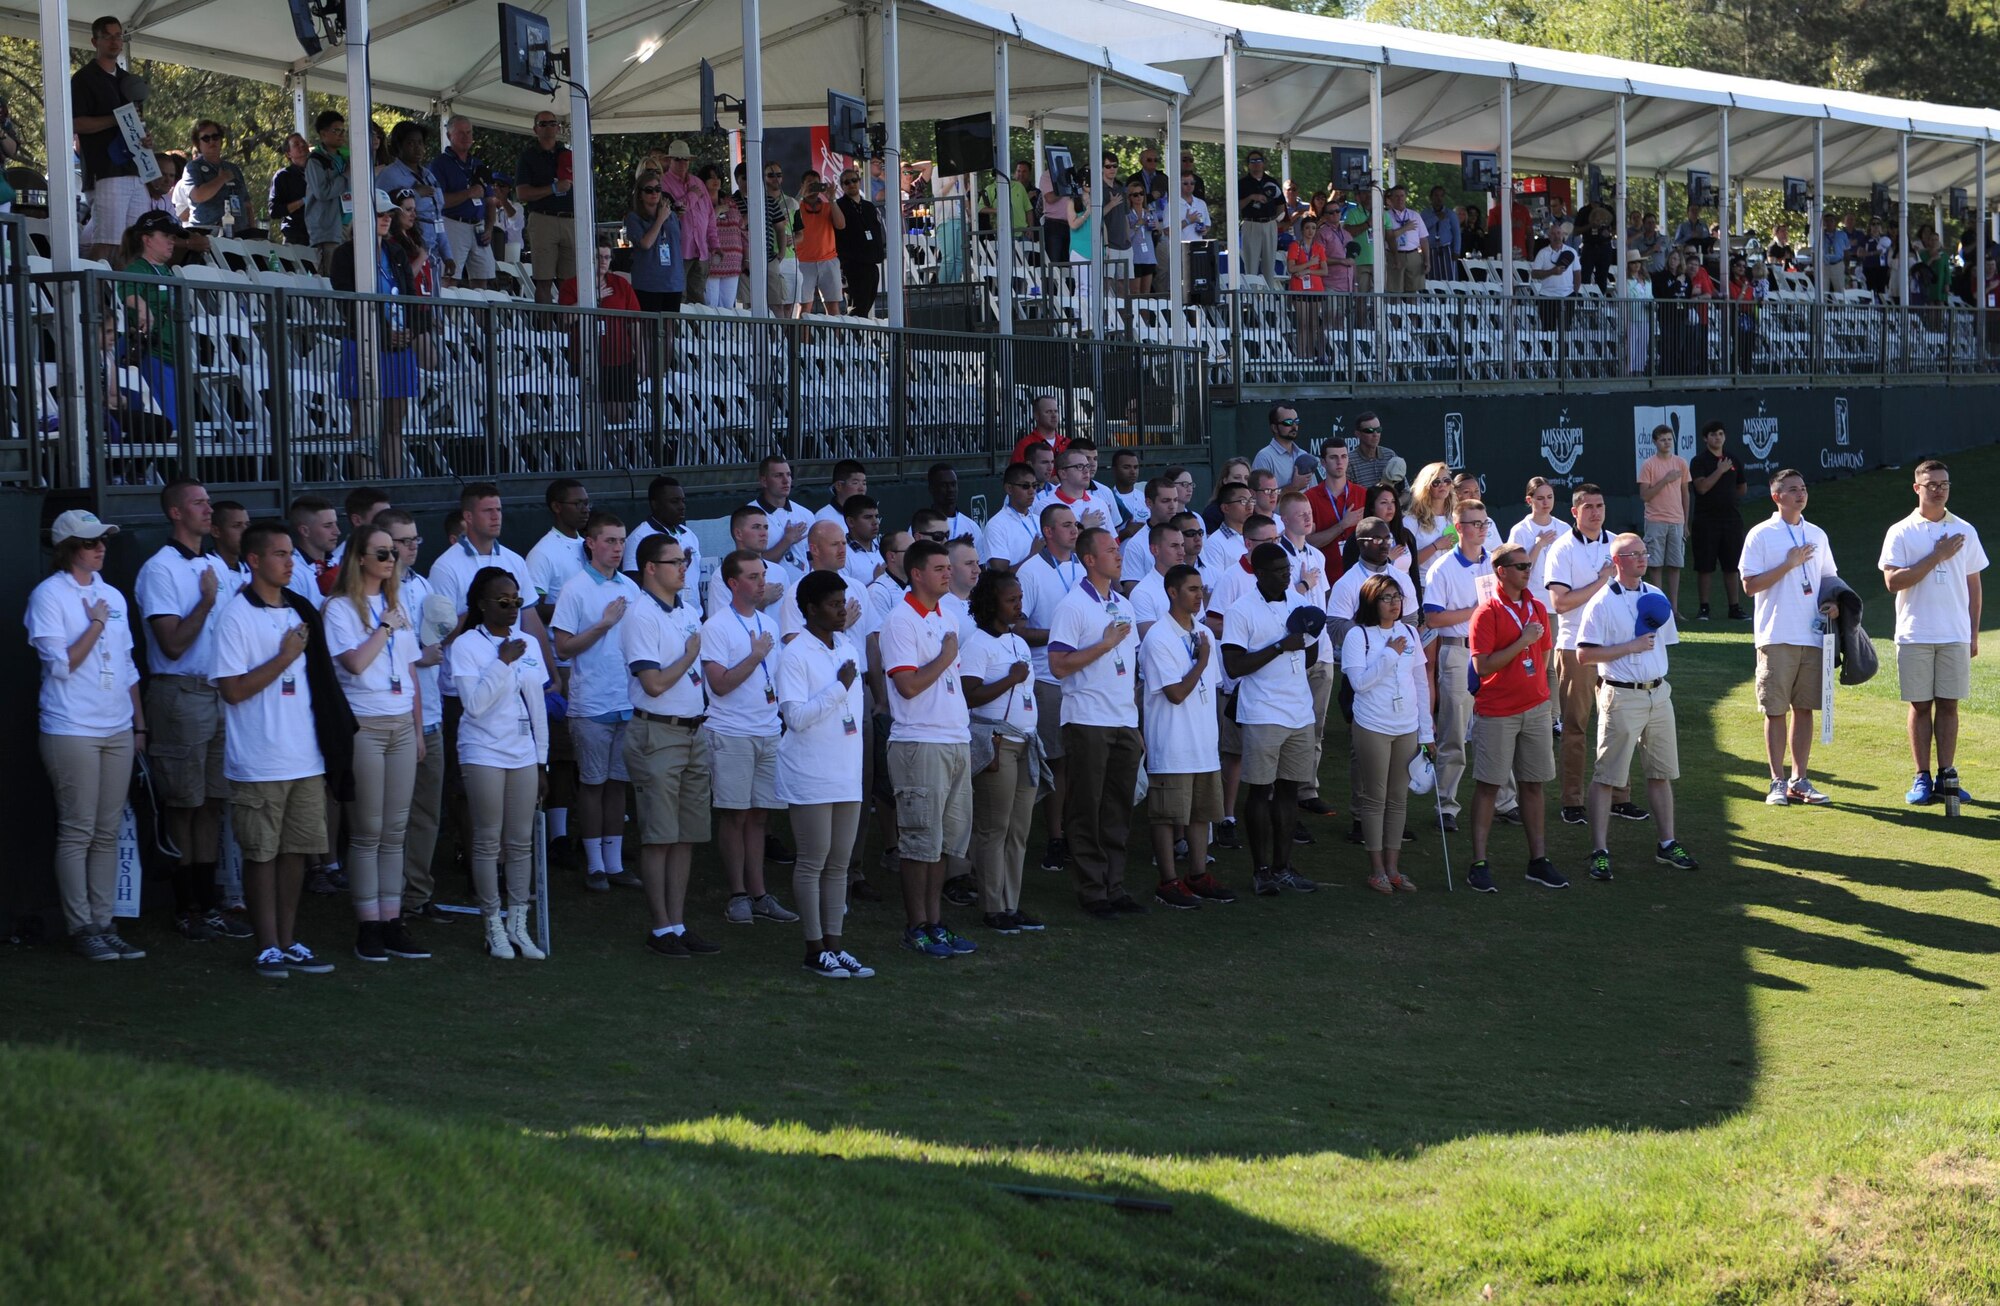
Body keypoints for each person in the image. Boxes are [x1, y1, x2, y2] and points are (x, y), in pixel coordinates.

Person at [212, 522, 347, 979]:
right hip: (258, 759)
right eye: (279, 554)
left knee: (296, 853)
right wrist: (285, 657)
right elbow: (232, 690)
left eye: (292, 553)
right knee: (261, 854)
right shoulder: (235, 617)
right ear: (253, 561)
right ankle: (266, 945)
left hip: (305, 756)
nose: (290, 562)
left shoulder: (301, 610)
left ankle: (288, 941)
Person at [133, 481, 251, 943]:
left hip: (220, 693)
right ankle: (186, 909)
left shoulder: (213, 564)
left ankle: (209, 905)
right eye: (199, 503)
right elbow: (174, 644)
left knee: (212, 803)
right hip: (180, 693)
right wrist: (205, 600)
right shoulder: (160, 569)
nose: (208, 509)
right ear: (176, 513)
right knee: (184, 803)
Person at [30, 511, 144, 961]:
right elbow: (60, 665)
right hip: (70, 727)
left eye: (102, 542)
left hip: (116, 726)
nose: (99, 548)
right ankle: (82, 928)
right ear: (67, 549)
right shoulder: (49, 596)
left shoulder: (111, 594)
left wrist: (139, 724)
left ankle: (104, 922)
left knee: (107, 830)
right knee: (79, 830)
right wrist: (95, 624)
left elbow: (130, 665)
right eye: (89, 542)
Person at [323, 523, 428, 962]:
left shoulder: (396, 604)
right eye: (383, 554)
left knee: (395, 830)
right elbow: (355, 663)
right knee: (367, 832)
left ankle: (392, 920)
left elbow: (410, 674)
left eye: (395, 554)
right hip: (364, 724)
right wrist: (384, 627)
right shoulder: (340, 609)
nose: (392, 561)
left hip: (401, 723)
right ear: (360, 558)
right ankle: (368, 926)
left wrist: (419, 730)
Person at [1576, 534, 1699, 882]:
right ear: (1618, 561)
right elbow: (1584, 655)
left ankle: (1667, 843)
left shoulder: (1656, 596)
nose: (1642, 559)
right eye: (1633, 554)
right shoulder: (1601, 603)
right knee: (1607, 777)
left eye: (1644, 553)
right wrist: (1628, 647)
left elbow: (1664, 645)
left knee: (1661, 773)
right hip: (1621, 696)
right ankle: (1599, 852)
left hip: (1659, 695)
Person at [620, 532, 720, 957]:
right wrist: (689, 654)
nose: (683, 568)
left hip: (693, 731)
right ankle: (660, 928)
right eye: (674, 561)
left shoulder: (687, 611)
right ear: (650, 568)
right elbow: (655, 683)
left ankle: (677, 923)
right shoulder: (641, 615)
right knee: (660, 836)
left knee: (686, 836)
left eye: (685, 560)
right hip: (658, 733)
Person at [879, 539, 978, 957]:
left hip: (955, 739)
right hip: (920, 741)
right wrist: (946, 655)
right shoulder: (900, 621)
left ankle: (936, 923)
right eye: (938, 568)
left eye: (947, 567)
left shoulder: (947, 615)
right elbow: (908, 685)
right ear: (916, 573)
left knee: (943, 844)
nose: (947, 573)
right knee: (919, 842)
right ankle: (915, 926)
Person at [775, 570, 874, 978]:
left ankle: (836, 945)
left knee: (839, 864)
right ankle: (814, 948)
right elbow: (795, 717)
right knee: (813, 862)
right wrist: (838, 687)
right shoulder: (796, 654)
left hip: (846, 771)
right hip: (811, 773)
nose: (842, 610)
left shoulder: (846, 644)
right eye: (833, 604)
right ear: (810, 609)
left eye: (842, 602)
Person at [449, 568, 551, 959]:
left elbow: (538, 707)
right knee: (488, 840)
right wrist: (503, 663)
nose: (511, 608)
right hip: (483, 752)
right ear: (482, 604)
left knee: (520, 842)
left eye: (517, 601)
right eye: (502, 601)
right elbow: (474, 706)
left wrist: (542, 762)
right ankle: (492, 924)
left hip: (523, 753)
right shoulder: (467, 646)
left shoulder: (528, 642)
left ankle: (518, 925)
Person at [1045, 526, 1146, 919]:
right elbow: (1058, 665)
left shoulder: (1124, 602)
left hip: (1122, 719)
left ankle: (1114, 885)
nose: (1118, 555)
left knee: (1119, 808)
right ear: (1089, 559)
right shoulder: (1072, 606)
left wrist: (1134, 721)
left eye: (1118, 548)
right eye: (1110, 550)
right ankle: (1092, 889)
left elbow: (1132, 666)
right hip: (1087, 719)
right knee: (1088, 806)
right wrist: (1102, 645)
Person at [700, 550, 800, 925]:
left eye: (762, 575)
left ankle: (759, 893)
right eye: (754, 577)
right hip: (731, 732)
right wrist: (755, 655)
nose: (762, 583)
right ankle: (737, 894)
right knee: (735, 814)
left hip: (767, 729)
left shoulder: (768, 625)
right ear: (733, 583)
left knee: (760, 816)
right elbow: (720, 685)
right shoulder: (716, 626)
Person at [1879, 460, 1986, 806]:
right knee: (1921, 706)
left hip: (1954, 633)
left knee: (1950, 705)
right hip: (1915, 632)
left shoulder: (1965, 530)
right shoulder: (1901, 531)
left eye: (1944, 484)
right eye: (1931, 484)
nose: (1939, 490)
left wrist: (1973, 634)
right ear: (1917, 489)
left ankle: (1947, 776)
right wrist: (1936, 556)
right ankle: (1922, 777)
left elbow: (1974, 587)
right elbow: (1893, 582)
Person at [1221, 542, 1322, 897]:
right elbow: (1233, 666)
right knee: (1260, 790)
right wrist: (1280, 646)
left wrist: (1305, 644)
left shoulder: (1297, 603)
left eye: (1287, 570)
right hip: (1262, 712)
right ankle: (1261, 870)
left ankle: (1283, 867)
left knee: (1289, 790)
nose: (1286, 575)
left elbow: (1309, 655)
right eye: (1278, 571)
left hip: (1299, 711)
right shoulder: (1240, 611)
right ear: (1258, 573)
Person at [552, 513, 642, 892]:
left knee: (618, 784)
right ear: (590, 543)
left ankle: (614, 862)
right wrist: (603, 625)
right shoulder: (575, 589)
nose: (618, 548)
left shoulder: (631, 588)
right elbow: (563, 647)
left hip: (627, 699)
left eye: (621, 541)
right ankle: (594, 865)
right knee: (592, 784)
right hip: (591, 703)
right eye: (609, 540)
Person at [1741, 469, 1842, 807]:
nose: (1800, 494)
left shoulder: (1817, 533)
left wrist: (1832, 604)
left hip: (1812, 635)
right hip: (1776, 634)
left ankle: (1801, 780)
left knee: (1805, 708)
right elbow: (1750, 585)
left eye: (1803, 488)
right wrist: (1788, 564)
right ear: (1776, 496)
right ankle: (1777, 782)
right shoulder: (1761, 534)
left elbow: (1829, 578)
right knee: (1775, 710)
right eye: (1791, 490)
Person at [1465, 544, 1562, 892]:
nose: (1528, 570)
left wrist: (1547, 701)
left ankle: (1538, 861)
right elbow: (1483, 666)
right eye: (1520, 565)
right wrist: (1522, 642)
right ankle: (1478, 862)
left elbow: (1545, 656)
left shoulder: (1536, 606)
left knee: (1533, 785)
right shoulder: (1486, 613)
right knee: (1489, 786)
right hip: (1497, 712)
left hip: (1535, 708)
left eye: (1529, 565)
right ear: (1501, 571)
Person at [1140, 563, 1237, 909]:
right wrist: (1201, 661)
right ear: (1172, 592)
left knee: (1200, 813)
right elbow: (1175, 694)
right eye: (1193, 590)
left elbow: (1209, 688)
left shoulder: (1203, 633)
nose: (1200, 596)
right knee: (1167, 816)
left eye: (1201, 589)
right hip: (1172, 743)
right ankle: (1167, 881)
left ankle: (1197, 874)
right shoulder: (1159, 637)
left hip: (1202, 743)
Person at [1545, 484, 1641, 826]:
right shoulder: (1561, 549)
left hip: (1615, 649)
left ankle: (1620, 796)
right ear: (1575, 511)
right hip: (1575, 648)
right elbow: (1560, 603)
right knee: (1575, 727)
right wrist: (1602, 581)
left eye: (1600, 505)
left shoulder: (1617, 543)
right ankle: (1572, 800)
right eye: (1588, 507)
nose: (1596, 512)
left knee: (1619, 724)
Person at [960, 570, 1046, 934]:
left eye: (1020, 598)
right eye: (1012, 600)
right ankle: (992, 905)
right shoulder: (977, 644)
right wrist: (1010, 679)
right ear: (991, 602)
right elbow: (970, 695)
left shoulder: (1018, 642)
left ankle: (1011, 902)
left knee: (1019, 828)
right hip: (996, 741)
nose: (1019, 605)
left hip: (1025, 742)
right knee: (994, 827)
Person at [1343, 573, 1433, 894]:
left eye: (1398, 598)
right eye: (1387, 598)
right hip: (1373, 725)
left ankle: (1394, 868)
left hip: (1406, 726)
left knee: (1398, 799)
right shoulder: (1358, 636)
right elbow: (1360, 683)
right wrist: (1390, 653)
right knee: (1375, 797)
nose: (1395, 604)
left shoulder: (1409, 631)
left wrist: (1427, 732)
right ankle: (1376, 869)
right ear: (1372, 601)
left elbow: (1421, 683)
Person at [330, 190, 419, 478]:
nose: (386, 218)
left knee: (394, 426)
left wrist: (410, 331)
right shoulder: (344, 254)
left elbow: (410, 296)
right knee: (362, 425)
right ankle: (369, 490)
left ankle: (395, 487)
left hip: (398, 346)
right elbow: (347, 304)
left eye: (389, 214)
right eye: (380, 213)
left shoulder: (395, 252)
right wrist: (382, 332)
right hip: (361, 342)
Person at [1016, 505, 1083, 871]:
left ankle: (1076, 833)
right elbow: (1018, 628)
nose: (1074, 531)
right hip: (1046, 678)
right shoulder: (1030, 572)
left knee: (1077, 760)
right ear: (1048, 531)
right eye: (1066, 526)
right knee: (1056, 760)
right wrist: (1063, 637)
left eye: (1076, 525)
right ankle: (1056, 838)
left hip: (1084, 677)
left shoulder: (1083, 566)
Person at [1420, 498, 1494, 833]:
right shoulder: (1442, 568)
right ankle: (1445, 805)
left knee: (1496, 729)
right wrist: (1476, 611)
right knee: (1454, 733)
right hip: (1457, 652)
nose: (1481, 529)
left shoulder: (1494, 563)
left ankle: (1505, 800)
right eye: (1474, 523)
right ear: (1459, 527)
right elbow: (1433, 618)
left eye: (1484, 523)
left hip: (1493, 654)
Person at [72, 17, 153, 264]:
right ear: (95, 41)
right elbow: (76, 124)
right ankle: (95, 299)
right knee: (107, 241)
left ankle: (124, 299)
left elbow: (134, 123)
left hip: (135, 170)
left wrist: (144, 140)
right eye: (108, 36)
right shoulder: (84, 79)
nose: (115, 41)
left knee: (133, 246)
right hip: (105, 171)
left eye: (119, 36)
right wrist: (116, 119)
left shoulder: (128, 80)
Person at [1688, 420, 1749, 620]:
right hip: (1706, 521)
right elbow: (1702, 487)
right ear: (1706, 438)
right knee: (1705, 566)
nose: (1718, 438)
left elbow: (1742, 487)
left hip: (1731, 520)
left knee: (1732, 565)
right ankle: (1704, 608)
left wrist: (1728, 496)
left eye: (1721, 434)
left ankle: (1735, 607)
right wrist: (1720, 471)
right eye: (1713, 434)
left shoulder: (1733, 459)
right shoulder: (1699, 461)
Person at [516, 111, 575, 303]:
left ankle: (569, 331)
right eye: (543, 124)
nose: (549, 127)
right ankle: (546, 332)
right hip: (543, 219)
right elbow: (522, 193)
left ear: (558, 127)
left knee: (570, 282)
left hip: (570, 219)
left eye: (552, 123)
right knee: (544, 280)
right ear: (535, 129)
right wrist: (553, 188)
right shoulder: (528, 157)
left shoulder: (569, 155)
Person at [1637, 423, 1692, 613]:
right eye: (1662, 440)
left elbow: (1685, 493)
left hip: (1676, 521)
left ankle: (1674, 610)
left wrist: (1685, 521)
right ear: (1655, 442)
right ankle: (1659, 608)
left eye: (1669, 439)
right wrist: (1666, 480)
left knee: (1675, 565)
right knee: (1655, 564)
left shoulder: (1681, 463)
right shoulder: (1649, 465)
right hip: (1655, 520)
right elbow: (1645, 495)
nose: (1667, 443)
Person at [621, 476, 701, 596]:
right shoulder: (639, 537)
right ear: (655, 504)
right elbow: (633, 584)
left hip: (693, 613)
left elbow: (695, 581)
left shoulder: (689, 535)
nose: (682, 506)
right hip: (660, 611)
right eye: (674, 501)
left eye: (683, 501)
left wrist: (702, 613)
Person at [624, 168, 685, 313]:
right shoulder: (634, 218)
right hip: (649, 282)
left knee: (669, 328)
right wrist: (660, 219)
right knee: (650, 329)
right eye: (649, 190)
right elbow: (645, 243)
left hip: (672, 280)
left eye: (658, 189)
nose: (654, 194)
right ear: (640, 194)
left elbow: (677, 242)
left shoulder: (670, 215)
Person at [980, 462, 1043, 570]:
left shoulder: (1039, 520)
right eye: (1025, 486)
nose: (1032, 491)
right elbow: (1000, 575)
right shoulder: (996, 525)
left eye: (1034, 486)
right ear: (1009, 489)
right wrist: (1033, 555)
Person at [1404, 462, 1458, 571]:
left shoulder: (1456, 515)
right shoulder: (1412, 520)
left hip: (1452, 582)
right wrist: (1435, 546)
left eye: (1446, 481)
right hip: (1425, 584)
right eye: (1436, 482)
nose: (1442, 485)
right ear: (1426, 487)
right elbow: (1406, 561)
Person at [268, 133, 311, 247]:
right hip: (295, 237)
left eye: (303, 142)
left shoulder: (319, 170)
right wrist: (303, 201)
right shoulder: (282, 176)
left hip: (321, 233)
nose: (302, 145)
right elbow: (274, 211)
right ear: (288, 154)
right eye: (296, 144)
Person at [1346, 413, 1399, 492]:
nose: (1375, 434)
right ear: (1358, 434)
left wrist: (1395, 503)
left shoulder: (1390, 455)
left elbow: (1406, 492)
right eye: (1369, 431)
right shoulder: (1349, 461)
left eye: (1378, 430)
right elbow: (1347, 494)